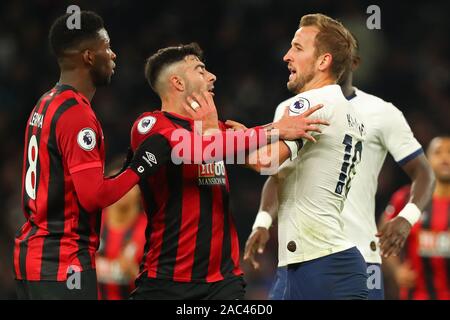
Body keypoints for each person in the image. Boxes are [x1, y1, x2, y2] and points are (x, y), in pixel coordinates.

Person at [128, 43, 328, 300]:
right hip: (166, 281)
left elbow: (264, 163)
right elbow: (199, 150)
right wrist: (278, 129)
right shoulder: (151, 126)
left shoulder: (216, 131)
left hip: (224, 282)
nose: (212, 76)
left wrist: (300, 133)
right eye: (200, 70)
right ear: (177, 82)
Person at [245, 33, 435, 300]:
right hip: (300, 255)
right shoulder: (295, 109)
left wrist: (407, 217)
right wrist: (263, 222)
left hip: (357, 252)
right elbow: (279, 173)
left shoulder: (381, 112)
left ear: (352, 63)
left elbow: (424, 172)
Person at [13, 11, 166, 300]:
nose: (113, 55)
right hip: (62, 264)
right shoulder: (77, 115)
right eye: (106, 47)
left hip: (33, 259)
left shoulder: (45, 103)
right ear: (88, 56)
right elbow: (93, 196)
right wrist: (141, 166)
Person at [244, 13, 369, 300]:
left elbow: (264, 161)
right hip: (314, 265)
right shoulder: (349, 110)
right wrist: (264, 221)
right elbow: (282, 174)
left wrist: (218, 138)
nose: (287, 56)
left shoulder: (310, 103)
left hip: (319, 266)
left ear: (323, 61)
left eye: (298, 48)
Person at [383, 136, 449, 300]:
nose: (445, 158)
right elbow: (382, 234)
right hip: (416, 295)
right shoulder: (406, 198)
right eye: (438, 152)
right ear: (427, 160)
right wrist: (397, 270)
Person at [96, 160, 147, 300]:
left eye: (128, 184)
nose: (122, 189)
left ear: (139, 190)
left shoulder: (150, 230)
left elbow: (160, 288)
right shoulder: (91, 224)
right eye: (115, 182)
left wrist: (134, 273)